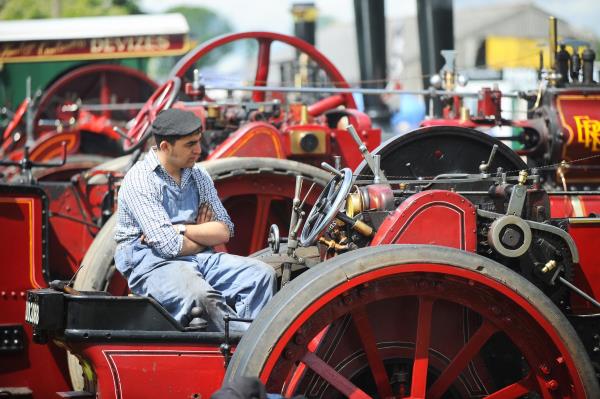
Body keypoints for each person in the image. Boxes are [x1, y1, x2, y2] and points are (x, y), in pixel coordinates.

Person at [113, 108, 277, 331]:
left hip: (198, 257)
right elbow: (169, 247)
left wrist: (181, 228)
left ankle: (247, 347)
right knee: (200, 296)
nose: (199, 150)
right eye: (190, 144)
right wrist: (203, 233)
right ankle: (245, 346)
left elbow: (226, 230)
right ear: (165, 147)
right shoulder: (140, 180)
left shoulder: (198, 176)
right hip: (152, 264)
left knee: (261, 275)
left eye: (199, 141)